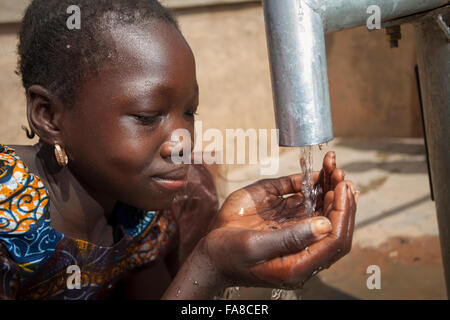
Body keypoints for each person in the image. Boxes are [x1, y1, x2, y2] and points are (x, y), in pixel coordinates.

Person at [0, 0, 357, 300]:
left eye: (189, 112)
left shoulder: (141, 215)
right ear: (49, 116)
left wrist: (216, 250)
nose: (183, 142)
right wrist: (210, 267)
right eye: (146, 116)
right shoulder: (7, 222)